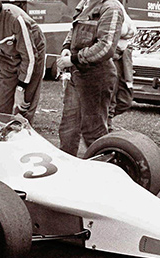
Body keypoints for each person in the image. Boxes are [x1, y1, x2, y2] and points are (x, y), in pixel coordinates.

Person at [57, 0, 123, 156]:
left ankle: (104, 170)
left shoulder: (111, 8)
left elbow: (106, 47)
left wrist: (73, 59)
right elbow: (73, 30)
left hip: (97, 77)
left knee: (94, 131)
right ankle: (66, 170)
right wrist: (66, 48)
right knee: (68, 128)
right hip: (77, 74)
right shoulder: (85, 4)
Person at [0, 0, 46, 123]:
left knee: (23, 105)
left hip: (32, 52)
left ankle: (20, 135)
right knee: (0, 106)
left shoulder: (15, 19)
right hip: (6, 55)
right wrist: (0, 64)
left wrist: (21, 88)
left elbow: (29, 56)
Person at [108, 0, 136, 131]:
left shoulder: (118, 6)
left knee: (125, 99)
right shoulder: (106, 7)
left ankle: (104, 119)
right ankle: (106, 126)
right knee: (109, 99)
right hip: (110, 57)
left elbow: (131, 30)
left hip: (122, 58)